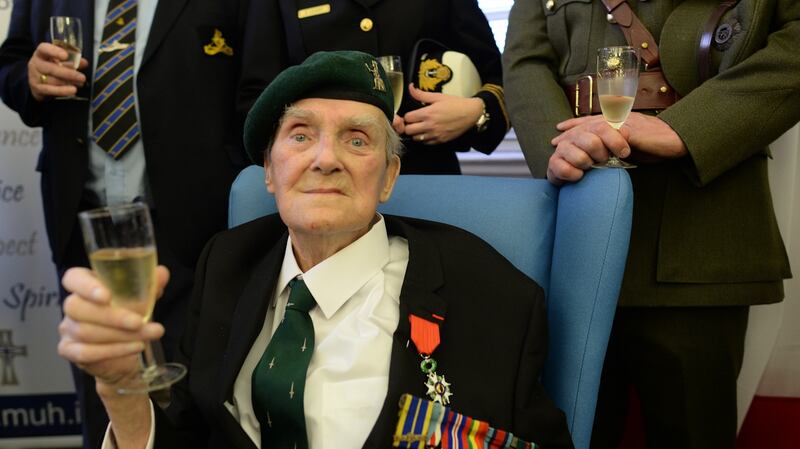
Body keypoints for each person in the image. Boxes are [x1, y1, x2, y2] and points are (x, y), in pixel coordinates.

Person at [57, 50, 574, 449]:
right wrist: (121, 387)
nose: (325, 159)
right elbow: (186, 435)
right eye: (301, 136)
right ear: (268, 171)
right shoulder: (225, 266)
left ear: (390, 176)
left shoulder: (489, 293)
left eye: (357, 140)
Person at [503, 1, 799, 448]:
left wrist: (687, 129)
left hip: (702, 230)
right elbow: (526, 58)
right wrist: (560, 148)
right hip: (577, 230)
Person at [0, 1, 262, 447]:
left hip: (197, 222)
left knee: (197, 392)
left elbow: (256, 86)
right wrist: (28, 77)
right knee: (101, 382)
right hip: (82, 219)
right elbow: (11, 64)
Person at [245, 0, 510, 174]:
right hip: (323, 173)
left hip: (424, 173)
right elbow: (257, 95)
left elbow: (502, 78)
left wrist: (477, 111)